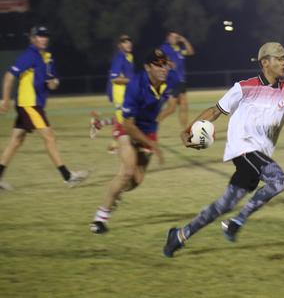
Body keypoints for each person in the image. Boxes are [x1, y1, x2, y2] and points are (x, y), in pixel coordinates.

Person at [163, 42, 284, 258]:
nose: (283, 63)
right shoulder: (244, 87)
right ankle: (237, 222)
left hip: (259, 156)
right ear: (265, 63)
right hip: (243, 149)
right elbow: (216, 111)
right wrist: (189, 130)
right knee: (280, 180)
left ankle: (179, 236)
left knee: (225, 204)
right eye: (279, 59)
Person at [90, 49, 176, 234]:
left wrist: (160, 119)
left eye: (165, 64)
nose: (163, 68)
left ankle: (117, 191)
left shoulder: (168, 82)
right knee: (127, 172)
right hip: (127, 128)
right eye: (158, 65)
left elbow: (172, 103)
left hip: (148, 130)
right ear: (147, 67)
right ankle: (100, 218)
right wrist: (153, 145)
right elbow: (128, 126)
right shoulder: (136, 87)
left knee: (137, 180)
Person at [0, 26, 88, 190]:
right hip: (29, 104)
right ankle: (68, 177)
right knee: (49, 137)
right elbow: (9, 76)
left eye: (45, 36)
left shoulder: (47, 57)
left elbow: (53, 82)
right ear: (32, 38)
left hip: (33, 104)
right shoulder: (29, 55)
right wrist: (5, 100)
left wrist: (54, 83)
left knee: (16, 141)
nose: (43, 39)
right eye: (40, 36)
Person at [89, 35, 136, 155]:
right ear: (119, 45)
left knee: (126, 118)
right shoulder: (119, 58)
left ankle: (97, 124)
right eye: (124, 42)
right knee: (124, 121)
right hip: (120, 94)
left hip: (127, 93)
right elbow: (114, 78)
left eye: (129, 42)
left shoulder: (129, 57)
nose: (128, 44)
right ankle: (113, 146)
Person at [157, 31, 195, 128]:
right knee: (171, 108)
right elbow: (158, 58)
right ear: (168, 38)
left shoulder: (179, 49)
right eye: (173, 37)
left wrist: (185, 41)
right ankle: (153, 123)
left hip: (181, 81)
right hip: (172, 81)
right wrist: (167, 62)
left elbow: (191, 52)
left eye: (176, 37)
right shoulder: (164, 48)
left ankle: (185, 130)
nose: (175, 39)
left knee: (184, 106)